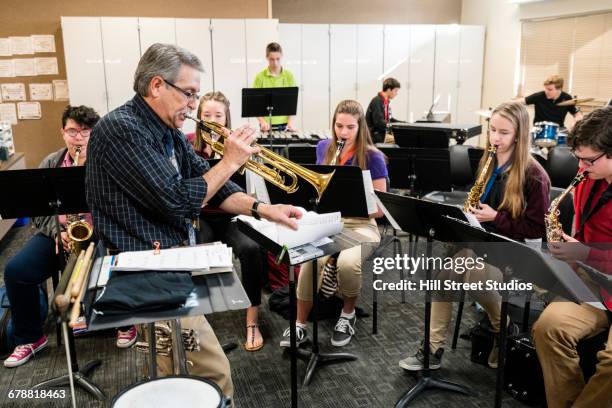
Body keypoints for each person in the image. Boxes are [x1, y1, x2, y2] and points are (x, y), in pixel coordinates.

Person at [85, 43, 302, 401]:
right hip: (145, 273)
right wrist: (231, 160)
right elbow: (178, 201)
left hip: (169, 263)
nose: (191, 104)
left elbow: (212, 186)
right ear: (157, 86)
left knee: (174, 374)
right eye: (188, 94)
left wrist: (265, 209)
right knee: (211, 373)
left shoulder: (167, 130)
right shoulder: (122, 130)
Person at [398, 101, 551, 371]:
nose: (495, 138)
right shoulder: (488, 160)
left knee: (474, 274)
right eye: (492, 130)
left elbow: (537, 228)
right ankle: (433, 349)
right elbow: (476, 197)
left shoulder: (534, 175)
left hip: (512, 249)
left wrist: (496, 217)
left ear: (519, 134)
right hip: (478, 243)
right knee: (444, 277)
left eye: (504, 132)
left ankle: (501, 328)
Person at [279, 99, 387, 348]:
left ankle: (347, 315)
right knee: (308, 261)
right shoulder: (323, 147)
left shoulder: (373, 157)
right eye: (339, 126)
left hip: (362, 224)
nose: (343, 133)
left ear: (361, 128)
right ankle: (299, 325)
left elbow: (381, 210)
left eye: (350, 127)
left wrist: (356, 204)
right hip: (328, 221)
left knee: (348, 264)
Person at [3, 105, 100, 368]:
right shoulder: (51, 162)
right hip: (59, 235)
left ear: (95, 134)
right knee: (15, 271)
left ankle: (125, 324)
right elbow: (37, 212)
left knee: (118, 262)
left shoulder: (105, 164)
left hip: (99, 236)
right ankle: (30, 338)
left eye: (85, 132)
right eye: (72, 131)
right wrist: (57, 234)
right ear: (62, 132)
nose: (78, 138)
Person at [533, 106, 612, 408]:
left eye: (588, 160)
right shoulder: (586, 176)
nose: (579, 166)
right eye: (577, 157)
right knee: (548, 329)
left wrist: (585, 252)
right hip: (596, 282)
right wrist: (572, 248)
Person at [187, 91, 269, 352]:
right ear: (198, 117)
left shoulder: (238, 146)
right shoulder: (188, 145)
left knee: (251, 248)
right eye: (206, 115)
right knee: (201, 253)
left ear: (227, 119)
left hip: (232, 214)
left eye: (218, 115)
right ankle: (201, 323)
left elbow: (250, 192)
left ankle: (252, 320)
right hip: (201, 216)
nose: (212, 120)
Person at [252, 42, 297, 132]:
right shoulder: (260, 77)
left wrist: (290, 122)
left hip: (285, 124)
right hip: (266, 124)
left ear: (281, 56)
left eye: (278, 59)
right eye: (271, 59)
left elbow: (292, 103)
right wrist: (262, 122)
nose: (275, 63)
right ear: (267, 58)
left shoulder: (289, 76)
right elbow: (254, 104)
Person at [519, 74, 583, 128]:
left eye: (550, 89)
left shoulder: (567, 98)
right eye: (545, 88)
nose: (546, 92)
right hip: (539, 129)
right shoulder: (539, 96)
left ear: (559, 89)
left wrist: (575, 122)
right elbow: (521, 101)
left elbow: (578, 114)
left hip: (558, 130)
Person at [365, 77, 401, 144]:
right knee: (392, 140)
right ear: (389, 90)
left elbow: (390, 119)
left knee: (394, 140)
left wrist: (403, 124)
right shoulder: (377, 101)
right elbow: (378, 122)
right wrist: (392, 127)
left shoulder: (386, 102)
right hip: (374, 135)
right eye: (395, 91)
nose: (396, 93)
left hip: (381, 132)